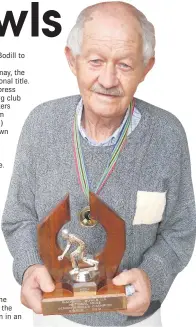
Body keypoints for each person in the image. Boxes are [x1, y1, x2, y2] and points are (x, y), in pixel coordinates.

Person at [1, 1, 196, 327]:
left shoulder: (168, 135)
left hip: (139, 320)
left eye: (124, 65)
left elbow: (181, 229)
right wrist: (29, 266)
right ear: (71, 60)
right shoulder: (40, 124)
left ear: (146, 68)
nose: (107, 79)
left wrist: (153, 276)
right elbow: (18, 217)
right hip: (54, 317)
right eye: (95, 61)